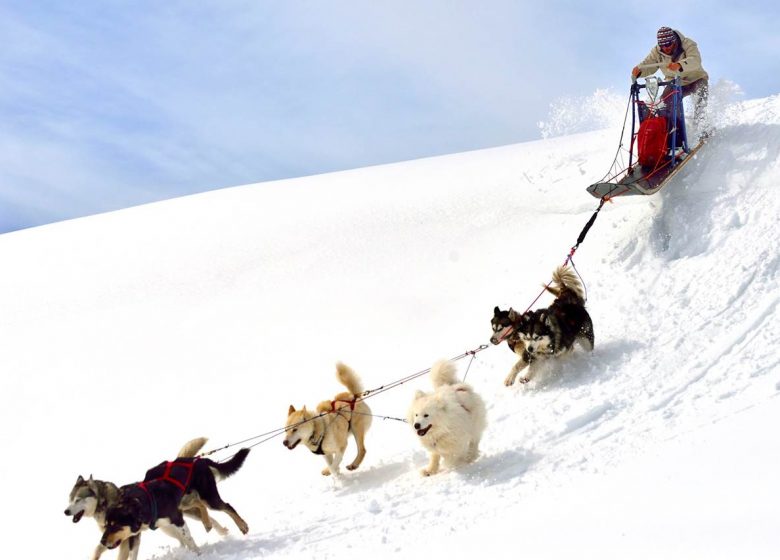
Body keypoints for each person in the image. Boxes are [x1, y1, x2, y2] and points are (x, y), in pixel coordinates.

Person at [632, 27, 710, 139]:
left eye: (668, 44)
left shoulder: (688, 44)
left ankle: (700, 126)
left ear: (673, 40)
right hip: (675, 81)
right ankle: (675, 132)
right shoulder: (657, 52)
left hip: (695, 78)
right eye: (662, 45)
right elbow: (647, 64)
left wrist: (680, 65)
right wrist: (639, 71)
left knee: (701, 94)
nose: (665, 47)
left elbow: (695, 60)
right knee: (666, 101)